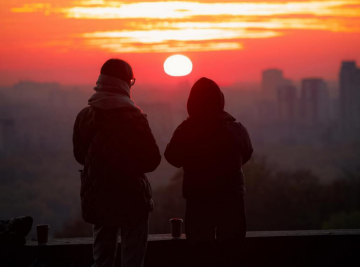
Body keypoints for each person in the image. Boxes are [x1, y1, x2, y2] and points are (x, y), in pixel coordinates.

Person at [73, 59, 161, 267]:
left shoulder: (84, 116)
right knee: (132, 259)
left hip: (98, 196)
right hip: (132, 198)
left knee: (102, 259)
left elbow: (80, 156)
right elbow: (152, 160)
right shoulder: (135, 118)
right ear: (125, 84)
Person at [164, 77, 253, 267]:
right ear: (220, 101)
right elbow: (247, 154)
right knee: (231, 256)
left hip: (198, 201)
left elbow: (172, 158)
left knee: (200, 257)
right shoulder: (236, 129)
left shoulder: (186, 130)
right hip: (232, 200)